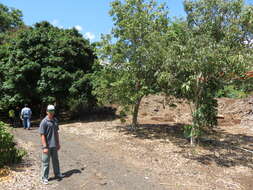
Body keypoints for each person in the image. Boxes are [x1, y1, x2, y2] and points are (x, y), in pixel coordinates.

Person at [39, 105, 64, 185]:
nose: (51, 113)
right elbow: (42, 135)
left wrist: (58, 143)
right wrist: (45, 147)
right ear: (47, 112)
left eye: (53, 111)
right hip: (47, 146)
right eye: (50, 111)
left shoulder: (55, 120)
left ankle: (57, 174)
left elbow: (56, 132)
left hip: (54, 145)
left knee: (56, 161)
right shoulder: (44, 122)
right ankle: (44, 178)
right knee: (46, 162)